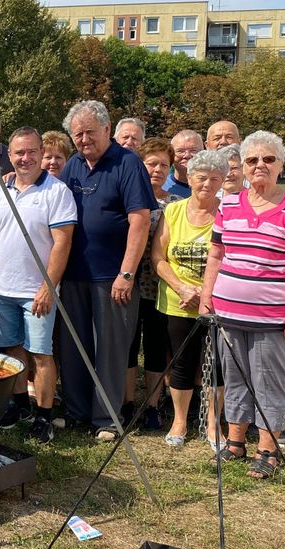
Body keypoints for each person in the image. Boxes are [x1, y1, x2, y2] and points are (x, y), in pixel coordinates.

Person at [201, 130, 285, 479]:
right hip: (228, 313)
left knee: (268, 381)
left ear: (281, 164)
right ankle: (235, 442)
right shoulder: (230, 204)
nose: (259, 166)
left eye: (268, 159)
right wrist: (208, 296)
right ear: (243, 167)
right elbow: (217, 254)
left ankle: (268, 450)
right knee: (235, 378)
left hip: (271, 317)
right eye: (252, 160)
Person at [57, 100, 157, 440]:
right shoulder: (72, 165)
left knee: (110, 350)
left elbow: (140, 221)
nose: (84, 139)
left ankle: (106, 419)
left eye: (89, 132)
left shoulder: (128, 164)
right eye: (77, 134)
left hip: (111, 277)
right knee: (74, 347)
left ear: (106, 129)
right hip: (73, 275)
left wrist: (126, 273)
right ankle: (76, 412)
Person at [0, 128, 76, 443]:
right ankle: (18, 406)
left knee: (41, 354)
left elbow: (63, 242)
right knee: (11, 349)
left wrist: (48, 285)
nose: (25, 158)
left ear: (41, 153)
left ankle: (43, 416)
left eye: (31, 152)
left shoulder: (57, 192)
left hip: (37, 291)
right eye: (19, 153)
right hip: (4, 287)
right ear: (10, 155)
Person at [152, 150, 226, 449]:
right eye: (201, 177)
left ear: (222, 181)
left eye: (214, 179)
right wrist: (183, 288)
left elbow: (231, 260)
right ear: (189, 178)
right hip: (177, 301)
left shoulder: (227, 213)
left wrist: (206, 293)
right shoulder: (173, 211)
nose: (206, 184)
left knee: (215, 364)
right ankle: (180, 420)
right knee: (181, 363)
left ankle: (212, 424)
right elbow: (158, 256)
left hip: (217, 302)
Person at [125, 138, 181, 431]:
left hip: (160, 289)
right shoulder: (128, 197)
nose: (157, 170)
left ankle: (152, 405)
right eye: (151, 164)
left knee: (157, 349)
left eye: (163, 165)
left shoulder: (175, 205)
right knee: (129, 346)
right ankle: (126, 403)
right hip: (131, 287)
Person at [165, 129, 202, 198]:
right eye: (180, 151)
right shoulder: (161, 186)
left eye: (193, 150)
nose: (187, 155)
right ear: (171, 154)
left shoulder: (213, 186)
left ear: (203, 152)